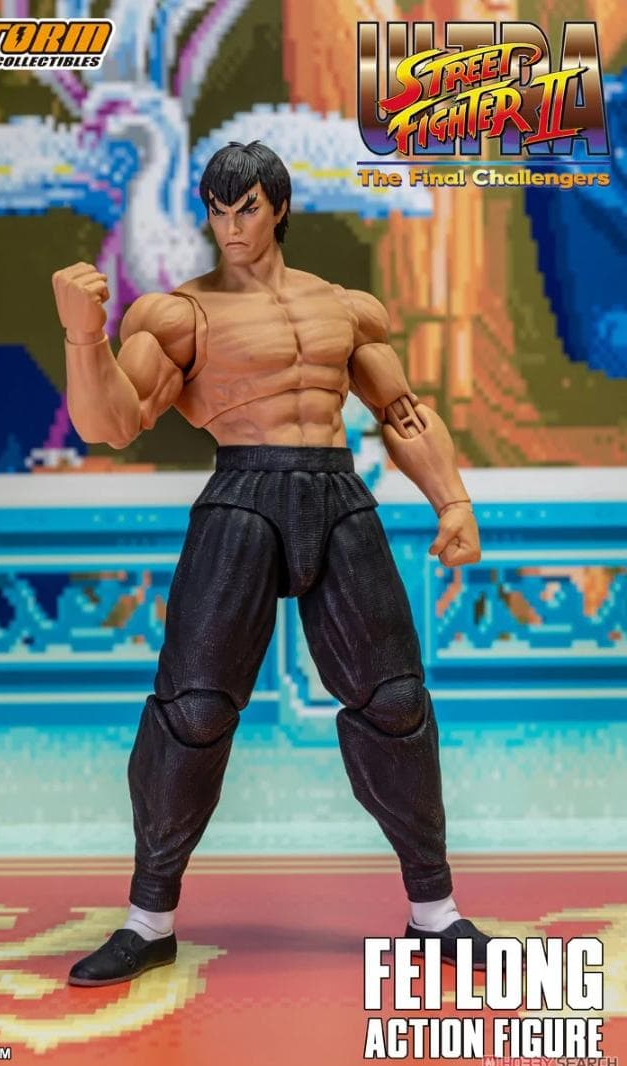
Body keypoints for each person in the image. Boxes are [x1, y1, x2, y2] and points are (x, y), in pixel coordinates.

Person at [51, 140, 489, 988]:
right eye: (217, 210)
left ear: (278, 208)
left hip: (337, 494)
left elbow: (400, 412)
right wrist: (82, 335)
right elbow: (114, 421)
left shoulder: (343, 309)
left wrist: (453, 502)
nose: (230, 226)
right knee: (193, 710)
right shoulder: (180, 316)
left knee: (397, 703)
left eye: (245, 208)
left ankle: (434, 912)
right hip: (242, 496)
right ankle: (149, 920)